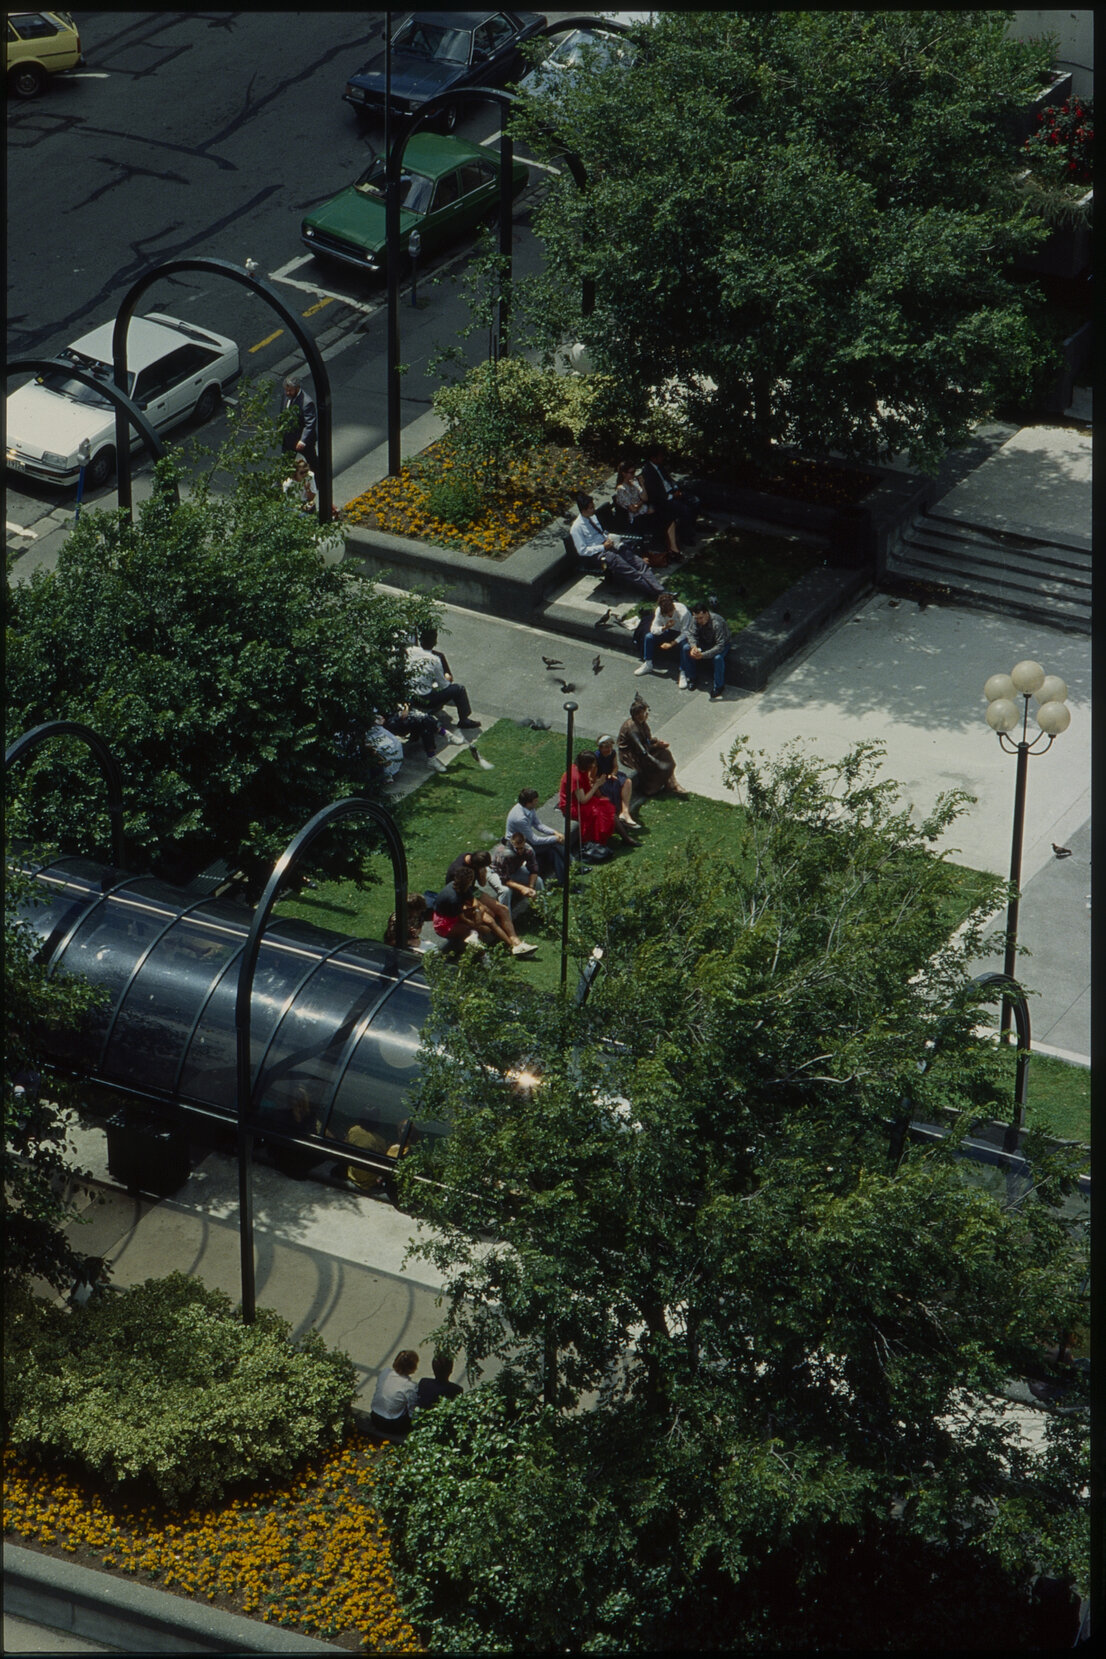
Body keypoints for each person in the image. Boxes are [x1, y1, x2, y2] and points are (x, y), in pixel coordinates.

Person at [570, 494, 665, 600]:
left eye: (593, 506)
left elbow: (600, 532)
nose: (594, 509)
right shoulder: (577, 528)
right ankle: (654, 593)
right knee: (630, 570)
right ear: (583, 510)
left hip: (609, 544)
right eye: (591, 508)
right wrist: (603, 547)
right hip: (598, 554)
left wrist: (610, 539)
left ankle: (660, 590)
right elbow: (582, 551)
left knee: (639, 563)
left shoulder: (593, 517)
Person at [432, 865, 538, 957]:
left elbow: (473, 901)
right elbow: (463, 919)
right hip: (445, 924)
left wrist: (478, 911)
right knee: (476, 932)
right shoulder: (453, 898)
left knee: (490, 921)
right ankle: (484, 958)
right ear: (467, 881)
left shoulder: (462, 887)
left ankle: (514, 946)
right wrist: (476, 924)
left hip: (455, 915)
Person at [559, 750, 636, 851]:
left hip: (582, 801)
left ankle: (624, 837)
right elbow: (583, 800)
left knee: (607, 806)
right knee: (602, 812)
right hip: (573, 806)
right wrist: (597, 785)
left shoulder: (579, 770)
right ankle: (622, 838)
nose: (594, 765)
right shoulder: (575, 777)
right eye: (592, 763)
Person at [406, 633, 480, 730]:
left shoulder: (411, 651)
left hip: (410, 695)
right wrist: (446, 680)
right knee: (459, 689)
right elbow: (444, 685)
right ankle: (464, 720)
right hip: (424, 698)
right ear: (434, 642)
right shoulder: (436, 659)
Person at [618, 695, 687, 797]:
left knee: (665, 752)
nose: (647, 714)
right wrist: (657, 745)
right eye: (645, 712)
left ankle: (671, 782)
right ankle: (655, 787)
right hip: (631, 756)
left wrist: (657, 742)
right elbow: (641, 750)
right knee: (664, 756)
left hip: (640, 750)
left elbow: (647, 739)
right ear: (637, 715)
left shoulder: (641, 723)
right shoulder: (633, 729)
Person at [615, 457, 679, 559]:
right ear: (624, 473)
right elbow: (634, 509)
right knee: (662, 522)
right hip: (636, 518)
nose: (633, 474)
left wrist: (642, 484)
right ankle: (670, 551)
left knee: (669, 518)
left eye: (634, 472)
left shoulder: (634, 483)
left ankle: (673, 549)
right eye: (631, 473)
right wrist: (642, 503)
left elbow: (645, 497)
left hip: (645, 513)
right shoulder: (621, 489)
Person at [640, 444, 701, 552]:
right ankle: (685, 537)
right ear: (653, 458)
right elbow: (655, 494)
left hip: (671, 492)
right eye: (660, 456)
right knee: (684, 509)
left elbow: (669, 480)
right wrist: (673, 496)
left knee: (695, 501)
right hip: (663, 500)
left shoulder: (660, 466)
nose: (662, 458)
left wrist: (676, 489)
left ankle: (692, 527)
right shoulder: (648, 472)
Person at [506, 788, 572, 883]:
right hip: (518, 845)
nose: (537, 802)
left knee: (554, 851)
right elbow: (534, 840)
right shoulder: (520, 818)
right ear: (528, 803)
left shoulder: (528, 808)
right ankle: (572, 867)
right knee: (556, 844)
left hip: (526, 839)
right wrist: (555, 838)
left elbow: (538, 824)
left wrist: (554, 833)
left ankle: (565, 878)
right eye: (535, 801)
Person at [679, 600, 732, 700]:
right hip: (704, 641)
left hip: (721, 644)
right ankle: (692, 677)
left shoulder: (717, 623)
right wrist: (693, 647)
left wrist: (703, 655)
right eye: (697, 618)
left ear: (707, 613)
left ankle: (719, 686)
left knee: (718, 658)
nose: (699, 621)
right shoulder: (695, 619)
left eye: (701, 618)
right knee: (686, 648)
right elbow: (691, 634)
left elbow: (720, 645)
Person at [635, 590, 691, 678]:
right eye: (666, 614)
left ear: (673, 607)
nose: (669, 615)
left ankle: (683, 671)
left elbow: (686, 632)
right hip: (668, 631)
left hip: (682, 633)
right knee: (649, 637)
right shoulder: (659, 611)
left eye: (670, 612)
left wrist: (672, 643)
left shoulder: (683, 613)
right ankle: (648, 664)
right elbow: (653, 629)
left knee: (685, 647)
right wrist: (664, 628)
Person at [384, 702, 453, 774]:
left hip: (404, 715)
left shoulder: (393, 693)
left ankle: (432, 759)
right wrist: (401, 714)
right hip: (393, 723)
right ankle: (445, 734)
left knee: (425, 727)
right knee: (424, 720)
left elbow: (405, 701)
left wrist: (406, 708)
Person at [490, 829, 545, 909]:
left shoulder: (528, 850)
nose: (519, 851)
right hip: (496, 873)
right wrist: (522, 888)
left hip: (514, 870)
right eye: (517, 848)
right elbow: (504, 879)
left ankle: (543, 912)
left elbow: (534, 869)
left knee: (538, 881)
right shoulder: (503, 854)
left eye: (521, 848)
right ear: (512, 844)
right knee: (506, 891)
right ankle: (506, 919)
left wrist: (530, 886)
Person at [370, 1349, 420, 1435]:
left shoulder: (385, 1372)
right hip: (392, 1424)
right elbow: (413, 1412)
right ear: (412, 1367)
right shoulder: (410, 1386)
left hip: (375, 1416)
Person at [595, 735, 640, 828]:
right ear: (600, 747)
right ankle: (618, 815)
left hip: (611, 775)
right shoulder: (596, 757)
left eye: (611, 746)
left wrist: (613, 774)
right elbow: (593, 775)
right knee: (612, 788)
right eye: (606, 747)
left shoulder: (613, 753)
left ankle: (625, 811)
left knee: (627, 782)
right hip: (601, 778)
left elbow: (615, 766)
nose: (609, 749)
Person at [279, 375, 318, 471]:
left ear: (297, 388)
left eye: (290, 390)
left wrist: (303, 441)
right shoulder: (286, 396)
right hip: (288, 438)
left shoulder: (306, 402)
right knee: (285, 463)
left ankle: (319, 480)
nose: (288, 393)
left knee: (312, 462)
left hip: (302, 441)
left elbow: (310, 424)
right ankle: (281, 483)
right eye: (286, 390)